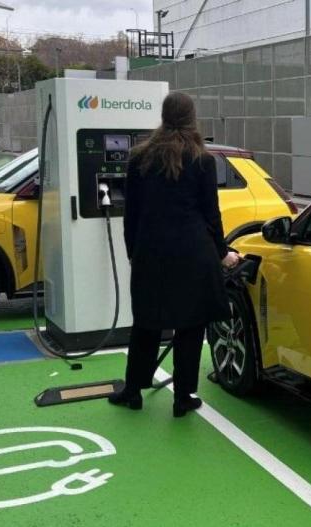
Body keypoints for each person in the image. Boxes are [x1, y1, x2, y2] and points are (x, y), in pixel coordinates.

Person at [109, 91, 242, 417]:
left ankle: (132, 391)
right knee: (191, 326)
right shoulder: (203, 159)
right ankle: (184, 397)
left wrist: (132, 251)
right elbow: (211, 214)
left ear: (164, 116)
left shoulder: (140, 157)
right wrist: (223, 252)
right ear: (191, 118)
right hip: (193, 253)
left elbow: (132, 213)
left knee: (146, 323)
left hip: (151, 252)